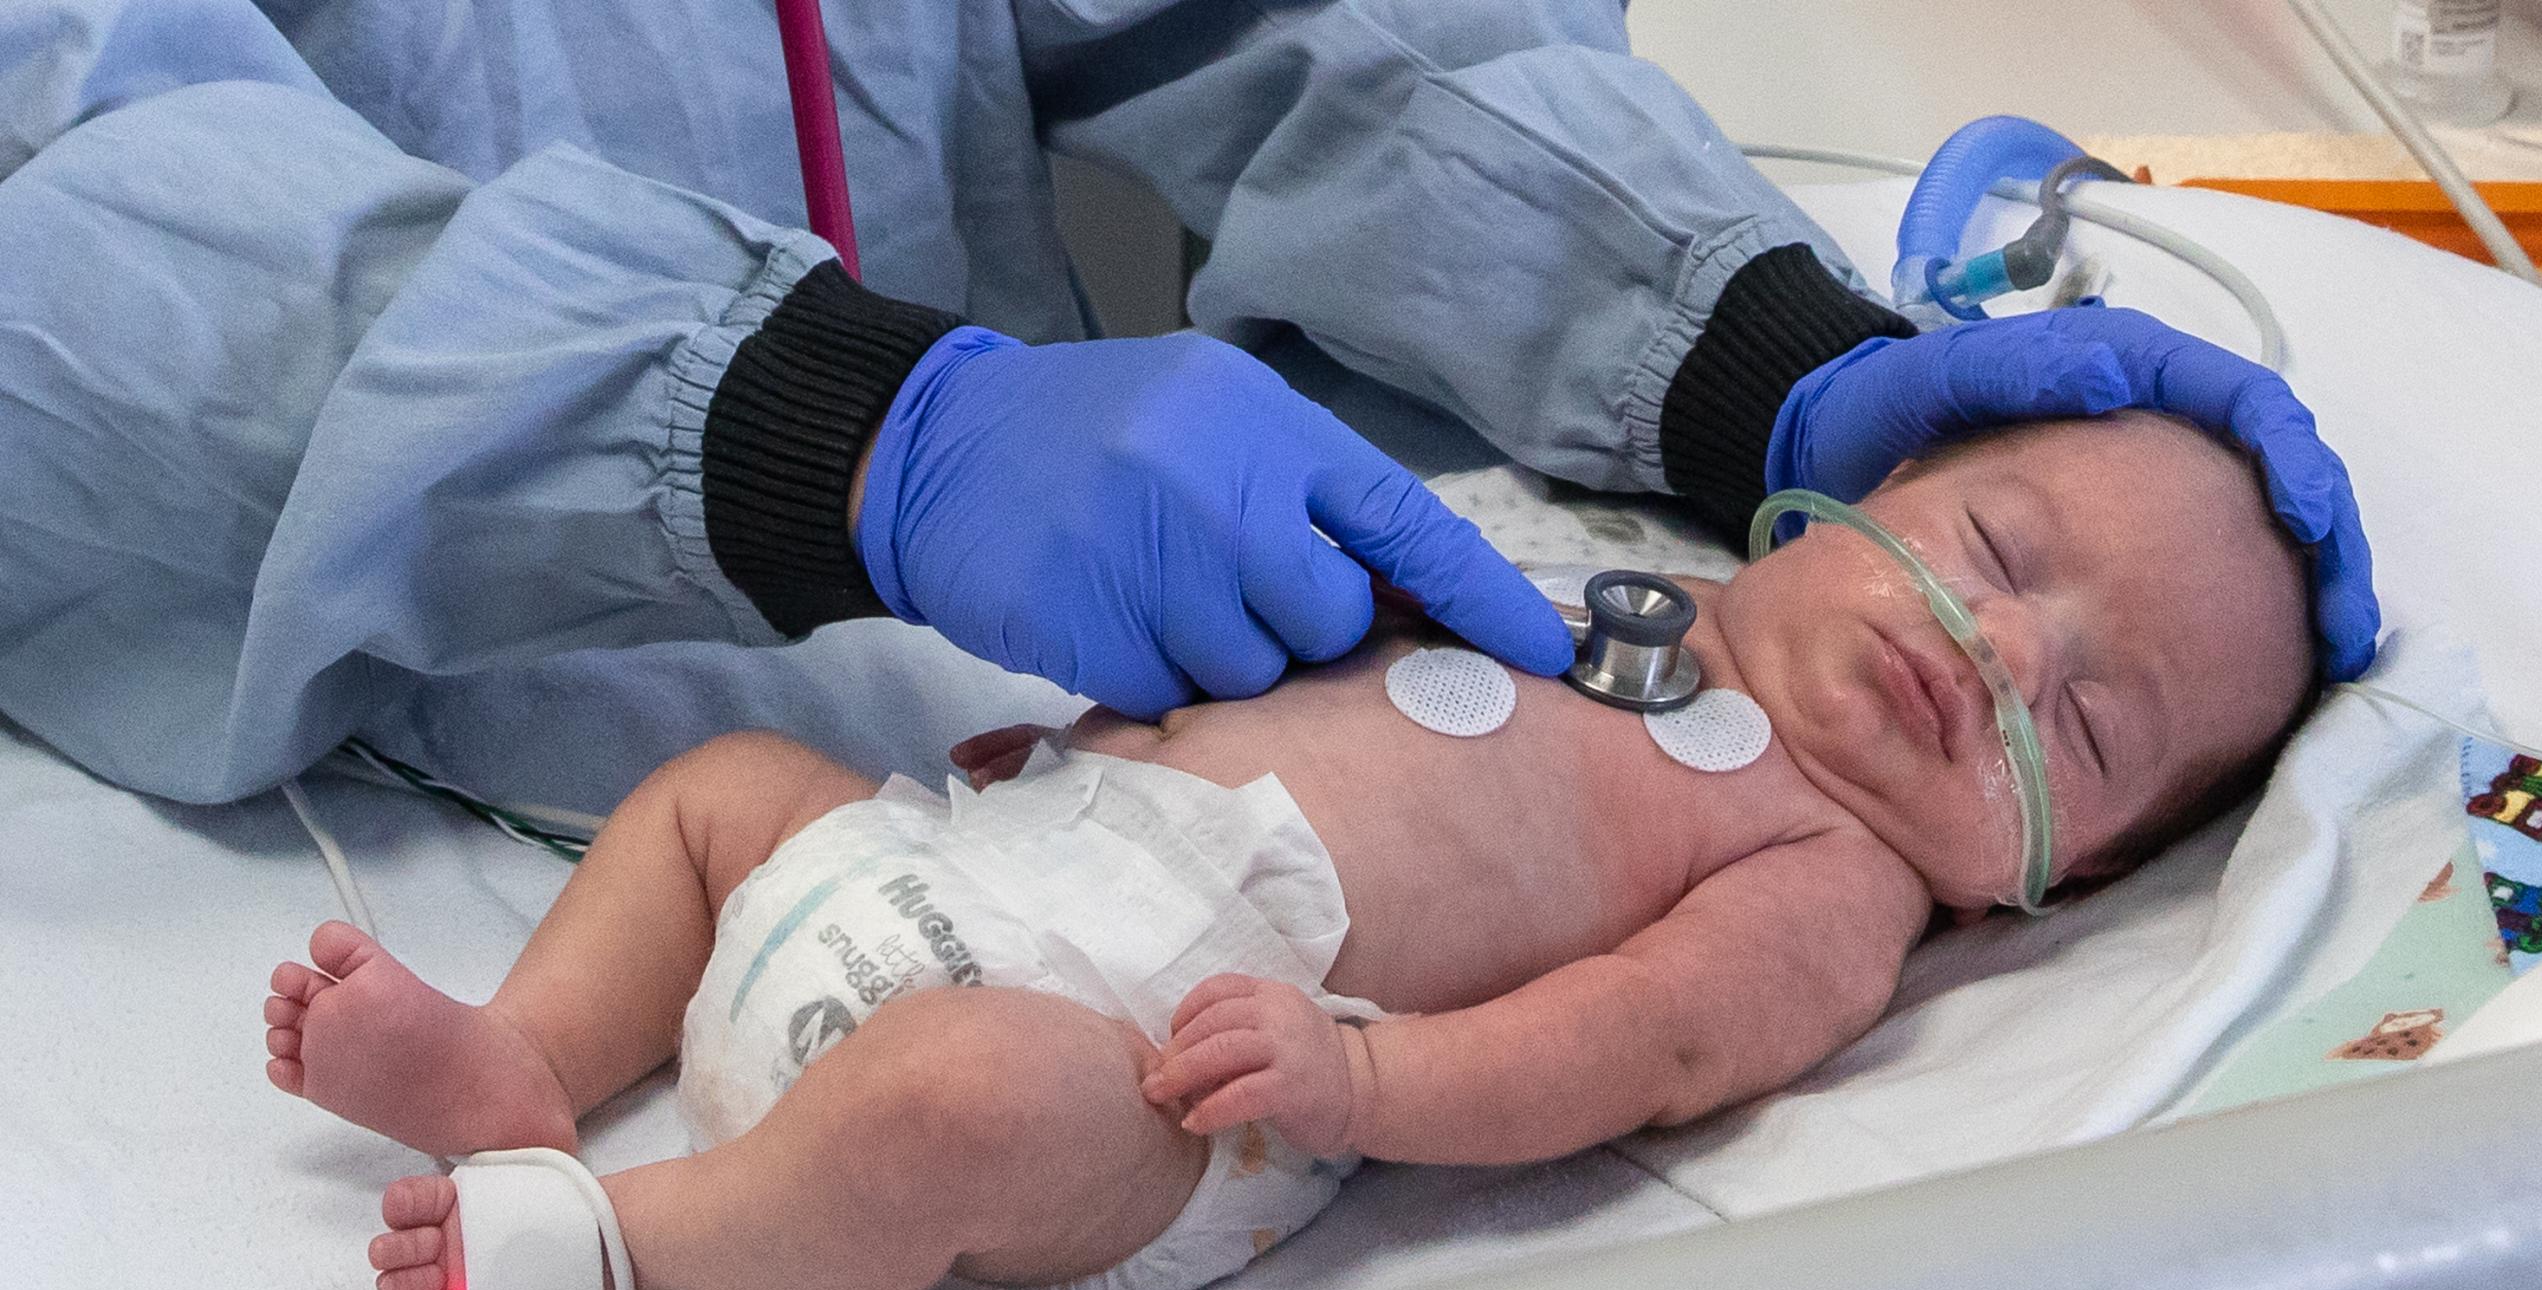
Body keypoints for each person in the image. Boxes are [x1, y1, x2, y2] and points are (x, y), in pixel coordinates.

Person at [261, 411, 2332, 1290]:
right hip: (966, 856)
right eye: (1995, 548)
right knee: (723, 788)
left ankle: (633, 1233)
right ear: (1870, 488)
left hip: (1157, 1082)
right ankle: (522, 1056)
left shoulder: (1831, 873)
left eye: (2089, 723)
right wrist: (1080, 762)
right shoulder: (1598, 581)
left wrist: (1365, 1085)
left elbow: (1630, 1040)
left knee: (953, 1101)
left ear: (2061, 874)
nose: (1998, 654)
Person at [0, 0, 2373, 814]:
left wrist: (1744, 344)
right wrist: (824, 432)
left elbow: (1295, 25)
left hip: (1006, 708)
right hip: (289, 764)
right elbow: (66, 206)